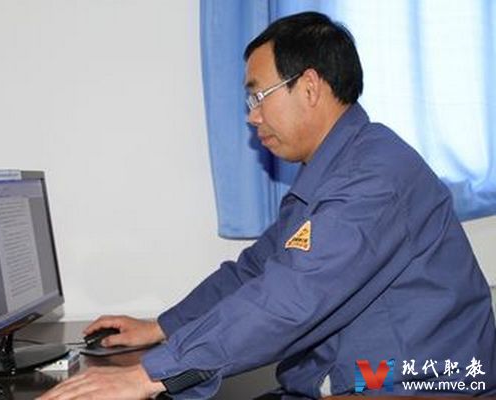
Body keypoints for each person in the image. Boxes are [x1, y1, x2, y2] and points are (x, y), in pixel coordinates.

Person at [39, 12, 496, 399]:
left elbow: (290, 297)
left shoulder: (372, 179)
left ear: (310, 87)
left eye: (259, 95)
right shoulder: (334, 170)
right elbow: (256, 272)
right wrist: (163, 328)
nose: (251, 115)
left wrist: (147, 376)